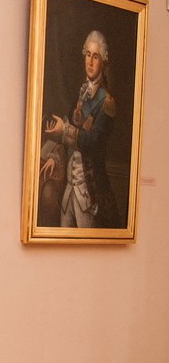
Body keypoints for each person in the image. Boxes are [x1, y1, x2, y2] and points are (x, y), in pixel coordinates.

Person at [39, 30, 119, 228]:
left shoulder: (106, 103)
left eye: (96, 57)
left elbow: (92, 142)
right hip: (69, 190)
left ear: (103, 62)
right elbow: (68, 127)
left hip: (89, 192)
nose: (90, 62)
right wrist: (55, 157)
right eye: (88, 55)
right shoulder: (80, 94)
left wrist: (64, 131)